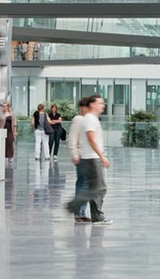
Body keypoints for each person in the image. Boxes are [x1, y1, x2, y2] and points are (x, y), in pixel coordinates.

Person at [66, 95, 112, 225]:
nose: (102, 105)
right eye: (100, 103)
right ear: (90, 105)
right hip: (89, 158)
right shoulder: (86, 119)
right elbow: (84, 139)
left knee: (94, 187)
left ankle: (90, 214)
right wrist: (76, 154)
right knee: (94, 187)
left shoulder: (89, 119)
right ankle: (76, 208)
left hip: (88, 157)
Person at [68, 97, 91, 222]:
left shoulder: (86, 120)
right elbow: (72, 138)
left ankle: (80, 212)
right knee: (84, 184)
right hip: (81, 157)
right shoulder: (78, 119)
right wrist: (75, 154)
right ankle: (78, 212)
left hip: (84, 156)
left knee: (83, 184)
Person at [0, 102, 17, 168]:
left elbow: (14, 123)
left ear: (8, 107)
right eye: (3, 106)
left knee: (9, 143)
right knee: (3, 143)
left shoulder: (12, 114)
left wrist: (15, 131)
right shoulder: (0, 114)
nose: (3, 107)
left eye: (5, 106)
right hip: (2, 130)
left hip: (10, 131)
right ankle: (3, 156)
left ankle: (10, 157)